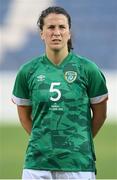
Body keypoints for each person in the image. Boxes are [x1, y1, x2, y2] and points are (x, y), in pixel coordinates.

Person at [12, 6, 108, 180]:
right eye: (50, 27)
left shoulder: (88, 69)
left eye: (62, 27)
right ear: (41, 33)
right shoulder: (28, 71)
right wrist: (44, 142)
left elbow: (100, 115)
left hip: (78, 164)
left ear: (69, 33)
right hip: (37, 165)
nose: (56, 32)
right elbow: (24, 116)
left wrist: (78, 142)